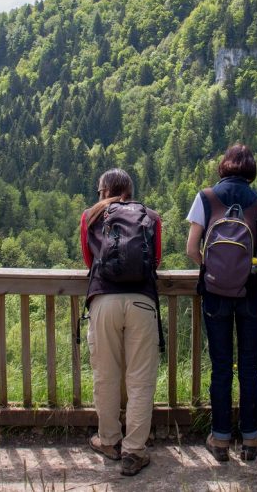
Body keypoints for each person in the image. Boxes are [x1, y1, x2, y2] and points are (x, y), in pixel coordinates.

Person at [186, 144, 257, 462]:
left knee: (221, 368)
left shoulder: (206, 198)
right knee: (249, 368)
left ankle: (220, 438)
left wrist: (213, 270)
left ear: (224, 166)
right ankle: (251, 439)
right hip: (252, 291)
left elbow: (190, 248)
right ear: (251, 170)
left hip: (215, 294)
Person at [81, 168, 162, 477]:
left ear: (103, 190)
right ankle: (134, 451)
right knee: (140, 380)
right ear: (130, 189)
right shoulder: (150, 217)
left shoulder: (91, 216)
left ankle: (109, 440)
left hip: (103, 300)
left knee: (106, 375)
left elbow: (89, 261)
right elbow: (155, 260)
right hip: (142, 301)